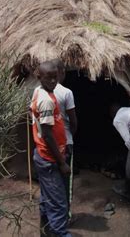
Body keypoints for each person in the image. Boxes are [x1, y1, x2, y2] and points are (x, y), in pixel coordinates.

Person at [30, 61, 71, 237]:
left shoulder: (40, 91)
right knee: (59, 203)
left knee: (48, 196)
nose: (54, 80)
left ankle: (45, 231)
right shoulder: (46, 100)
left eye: (56, 76)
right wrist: (62, 162)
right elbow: (47, 134)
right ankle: (60, 233)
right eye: (49, 77)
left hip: (43, 156)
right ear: (39, 77)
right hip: (49, 159)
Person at [50, 58, 77, 219]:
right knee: (65, 180)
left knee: (50, 180)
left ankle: (51, 215)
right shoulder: (66, 92)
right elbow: (73, 121)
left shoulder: (37, 91)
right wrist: (70, 135)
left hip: (45, 145)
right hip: (64, 143)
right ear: (61, 72)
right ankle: (64, 215)